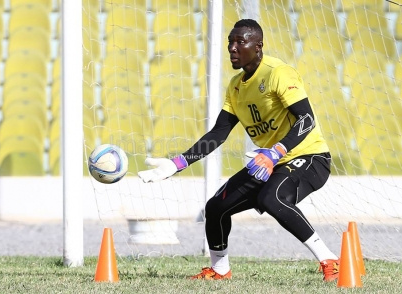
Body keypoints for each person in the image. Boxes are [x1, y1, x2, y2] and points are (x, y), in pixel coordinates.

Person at [138, 19, 340, 282]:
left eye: (239, 42)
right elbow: (219, 133)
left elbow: (307, 120)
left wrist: (276, 152)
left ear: (258, 46)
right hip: (269, 162)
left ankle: (331, 261)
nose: (232, 48)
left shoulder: (278, 73)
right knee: (216, 207)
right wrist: (177, 164)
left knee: (272, 198)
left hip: (309, 157)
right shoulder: (235, 86)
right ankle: (219, 269)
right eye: (230, 43)